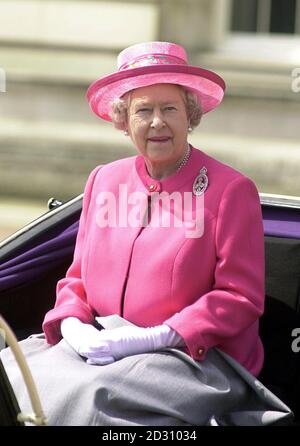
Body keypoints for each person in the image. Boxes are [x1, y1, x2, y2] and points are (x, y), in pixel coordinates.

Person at [1, 41, 270, 426]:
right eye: (143, 110)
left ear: (190, 115)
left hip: (192, 357)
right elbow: (76, 279)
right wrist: (74, 325)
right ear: (124, 121)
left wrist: (157, 336)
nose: (157, 122)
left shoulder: (230, 190)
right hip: (100, 344)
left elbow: (240, 297)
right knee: (11, 376)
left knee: (90, 398)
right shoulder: (104, 180)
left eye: (170, 109)